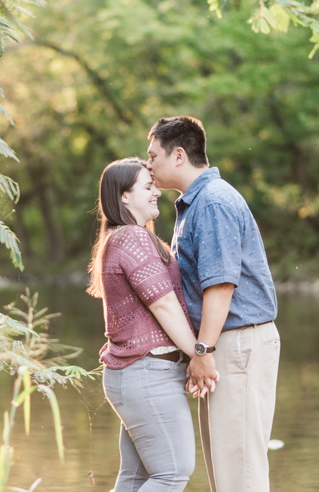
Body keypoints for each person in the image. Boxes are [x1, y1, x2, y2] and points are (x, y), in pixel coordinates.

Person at [146, 116, 281, 492]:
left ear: (178, 156)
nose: (149, 165)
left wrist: (203, 349)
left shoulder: (213, 202)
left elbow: (221, 285)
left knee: (241, 472)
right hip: (228, 342)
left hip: (238, 343)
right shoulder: (195, 203)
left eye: (153, 156)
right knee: (226, 468)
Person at [88, 157, 213, 492]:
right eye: (147, 186)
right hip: (146, 375)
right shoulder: (132, 238)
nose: (157, 191)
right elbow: (164, 305)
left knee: (136, 477)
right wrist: (199, 353)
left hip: (136, 376)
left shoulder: (125, 237)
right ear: (124, 197)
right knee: (172, 472)